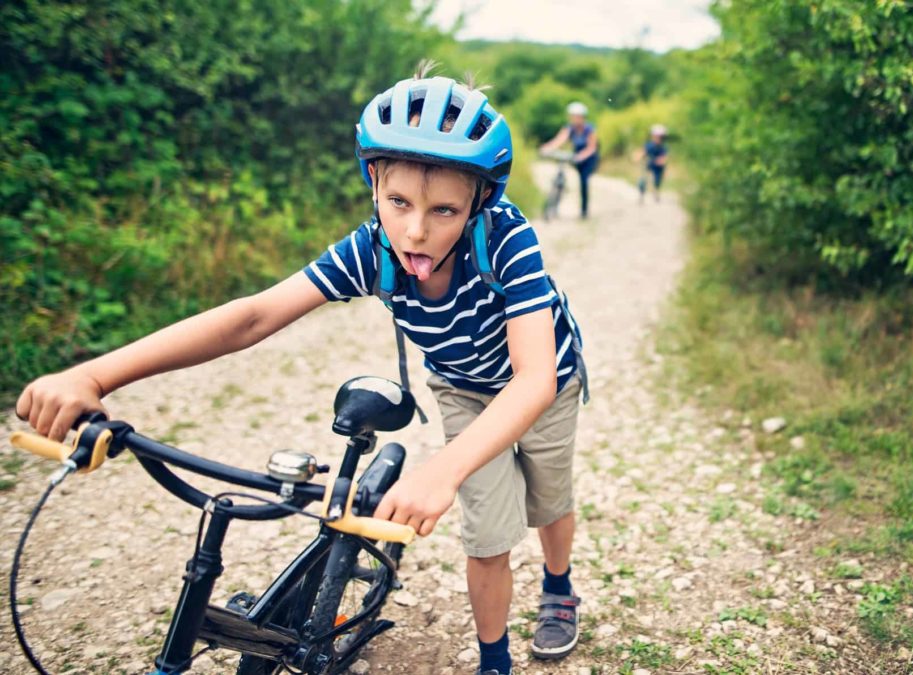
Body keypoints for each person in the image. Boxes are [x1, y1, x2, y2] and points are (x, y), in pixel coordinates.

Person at [15, 63, 586, 675]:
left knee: (548, 499)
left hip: (545, 382)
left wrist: (441, 469)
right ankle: (494, 661)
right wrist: (95, 376)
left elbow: (533, 379)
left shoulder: (506, 239)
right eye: (398, 202)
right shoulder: (371, 249)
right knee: (487, 534)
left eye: (444, 211)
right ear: (373, 180)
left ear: (479, 200)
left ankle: (558, 586)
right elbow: (253, 316)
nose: (415, 231)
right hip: (460, 385)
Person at [540, 102, 599, 219]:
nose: (573, 119)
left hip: (588, 159)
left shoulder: (589, 129)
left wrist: (582, 156)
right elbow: (560, 140)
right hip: (575, 157)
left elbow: (592, 147)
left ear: (582, 117)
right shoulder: (569, 128)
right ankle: (554, 203)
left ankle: (584, 211)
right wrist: (548, 147)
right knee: (560, 174)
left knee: (583, 182)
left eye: (576, 116)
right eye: (572, 116)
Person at [635, 124, 669, 203]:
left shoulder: (663, 147)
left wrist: (662, 161)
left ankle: (656, 191)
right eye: (656, 136)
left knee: (657, 180)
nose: (658, 138)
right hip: (649, 164)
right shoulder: (649, 145)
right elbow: (643, 152)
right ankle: (641, 195)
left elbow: (664, 157)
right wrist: (638, 157)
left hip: (658, 167)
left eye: (660, 137)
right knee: (643, 180)